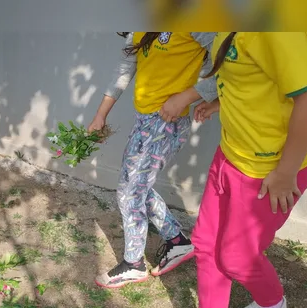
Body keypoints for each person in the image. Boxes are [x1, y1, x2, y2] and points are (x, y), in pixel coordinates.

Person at [153, 32, 307, 308]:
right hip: (232, 155)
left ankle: (272, 302)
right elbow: (250, 75)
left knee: (236, 257)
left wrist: (286, 172)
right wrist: (221, 102)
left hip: (268, 172)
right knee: (205, 242)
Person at [90, 32, 217, 289]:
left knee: (130, 191)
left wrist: (188, 97)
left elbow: (229, 68)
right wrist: (100, 114)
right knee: (136, 186)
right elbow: (126, 65)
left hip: (165, 121)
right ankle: (177, 242)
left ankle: (134, 265)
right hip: (145, 118)